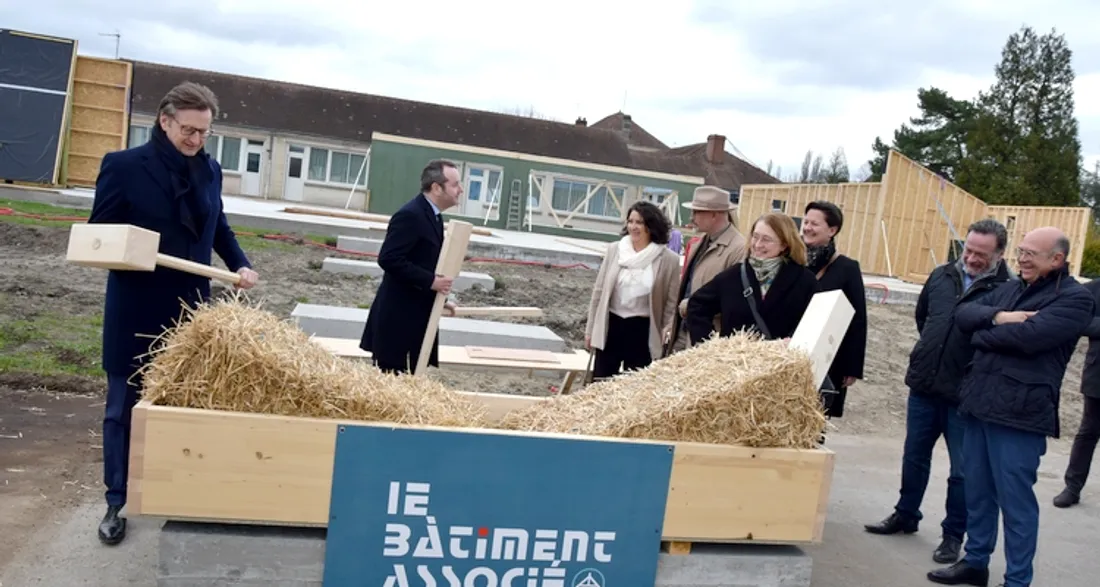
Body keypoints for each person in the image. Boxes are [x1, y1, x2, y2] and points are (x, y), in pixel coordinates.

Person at [87, 81, 259, 545]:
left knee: (183, 402)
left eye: (203, 132)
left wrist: (239, 263)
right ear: (164, 121)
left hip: (191, 309)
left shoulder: (210, 170)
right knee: (124, 406)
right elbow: (99, 234)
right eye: (188, 130)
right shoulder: (123, 167)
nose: (196, 139)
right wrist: (133, 251)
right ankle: (116, 502)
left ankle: (174, 491)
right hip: (136, 305)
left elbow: (217, 223)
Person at [928, 227, 1095, 587]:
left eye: (1031, 253)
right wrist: (998, 319)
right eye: (1021, 251)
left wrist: (984, 332)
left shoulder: (1074, 299)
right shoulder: (1011, 289)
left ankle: (1017, 580)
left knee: (1016, 504)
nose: (1022, 258)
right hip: (978, 404)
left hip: (1020, 414)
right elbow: (963, 317)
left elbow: (1030, 339)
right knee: (978, 492)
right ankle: (976, 563)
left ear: (1057, 259)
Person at [864, 219, 1012, 565]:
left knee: (962, 471)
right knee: (914, 456)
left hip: (966, 396)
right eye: (968, 250)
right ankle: (906, 514)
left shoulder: (1008, 290)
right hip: (925, 386)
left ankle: (952, 536)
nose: (972, 258)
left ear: (1000, 254)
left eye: (981, 254)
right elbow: (924, 319)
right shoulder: (941, 275)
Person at [359, 159, 461, 374]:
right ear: (436, 187)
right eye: (455, 185)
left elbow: (421, 262)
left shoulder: (433, 216)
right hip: (398, 322)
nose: (460, 190)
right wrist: (432, 281)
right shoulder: (411, 215)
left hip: (416, 317)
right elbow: (388, 258)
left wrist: (438, 299)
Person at [685, 213, 818, 344]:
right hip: (735, 363)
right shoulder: (733, 276)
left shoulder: (804, 280)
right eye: (755, 237)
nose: (758, 244)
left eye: (766, 239)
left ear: (784, 244)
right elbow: (697, 305)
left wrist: (793, 343)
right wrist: (709, 345)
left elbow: (815, 321)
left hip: (780, 363)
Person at [585, 201, 680, 380]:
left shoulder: (668, 260)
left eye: (640, 222)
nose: (633, 227)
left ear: (651, 226)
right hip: (611, 326)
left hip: (642, 330)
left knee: (633, 388)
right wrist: (590, 331)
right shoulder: (615, 250)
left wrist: (666, 331)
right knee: (601, 385)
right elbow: (598, 293)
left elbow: (671, 302)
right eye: (630, 221)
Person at [800, 201, 866, 418]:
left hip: (828, 357)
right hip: (791, 349)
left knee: (815, 418)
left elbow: (857, 320)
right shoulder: (792, 260)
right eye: (806, 222)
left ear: (832, 230)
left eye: (814, 224)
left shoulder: (847, 268)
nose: (807, 227)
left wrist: (852, 367)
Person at [663, 185, 747, 356]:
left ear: (714, 214)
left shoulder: (739, 249)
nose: (692, 217)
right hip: (684, 331)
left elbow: (733, 300)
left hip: (708, 339)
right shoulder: (699, 242)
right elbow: (687, 285)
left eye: (697, 212)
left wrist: (693, 305)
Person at [1051, 276, 1100, 508]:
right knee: (1089, 430)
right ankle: (1072, 487)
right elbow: (1077, 321)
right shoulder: (1092, 289)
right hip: (1098, 374)